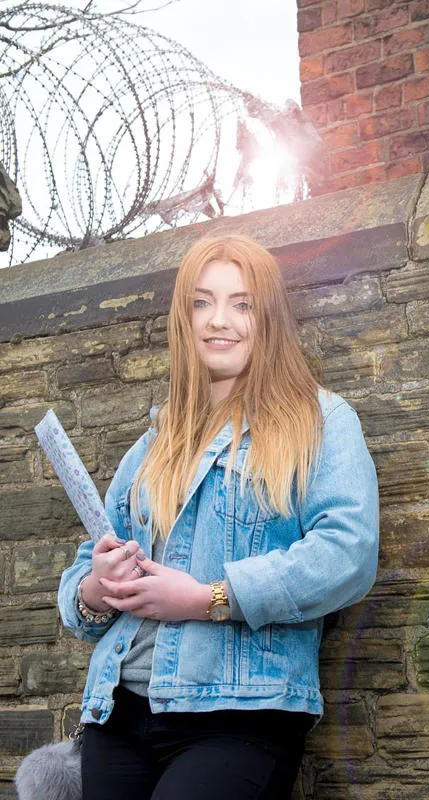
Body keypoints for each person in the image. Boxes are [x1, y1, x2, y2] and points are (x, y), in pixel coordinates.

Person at [57, 235, 380, 800]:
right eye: (202, 303)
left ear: (269, 317)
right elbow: (88, 571)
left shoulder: (322, 421)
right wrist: (96, 586)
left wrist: (212, 597)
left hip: (242, 714)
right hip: (120, 710)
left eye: (241, 303)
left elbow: (347, 553)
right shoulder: (157, 439)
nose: (218, 320)